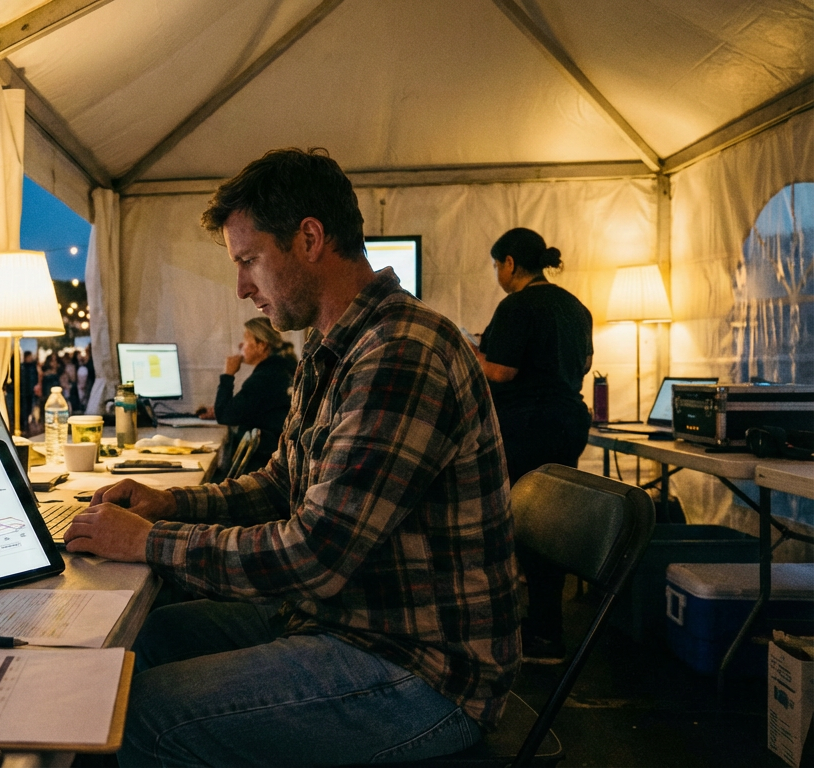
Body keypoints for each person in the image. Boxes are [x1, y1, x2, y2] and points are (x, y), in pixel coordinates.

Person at [62, 148, 519, 766]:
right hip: (341, 620)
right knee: (151, 634)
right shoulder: (331, 347)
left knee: (144, 716)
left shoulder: (402, 351)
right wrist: (167, 503)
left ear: (309, 239)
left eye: (249, 260)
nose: (242, 288)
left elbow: (314, 555)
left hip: (422, 667)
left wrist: (148, 542)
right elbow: (282, 485)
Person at [474, 226, 593, 665]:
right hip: (568, 423)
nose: (497, 275)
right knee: (552, 521)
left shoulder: (517, 306)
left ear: (510, 263)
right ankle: (545, 626)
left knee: (526, 524)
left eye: (496, 265)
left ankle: (541, 635)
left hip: (527, 426)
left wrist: (470, 352)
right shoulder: (575, 306)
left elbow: (501, 372)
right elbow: (584, 364)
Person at [202, 316, 297, 474]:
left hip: (262, 462)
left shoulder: (265, 377)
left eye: (246, 340)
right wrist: (221, 409)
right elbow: (250, 408)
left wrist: (228, 375)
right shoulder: (282, 368)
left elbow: (225, 416)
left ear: (262, 345)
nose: (240, 345)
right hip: (277, 453)